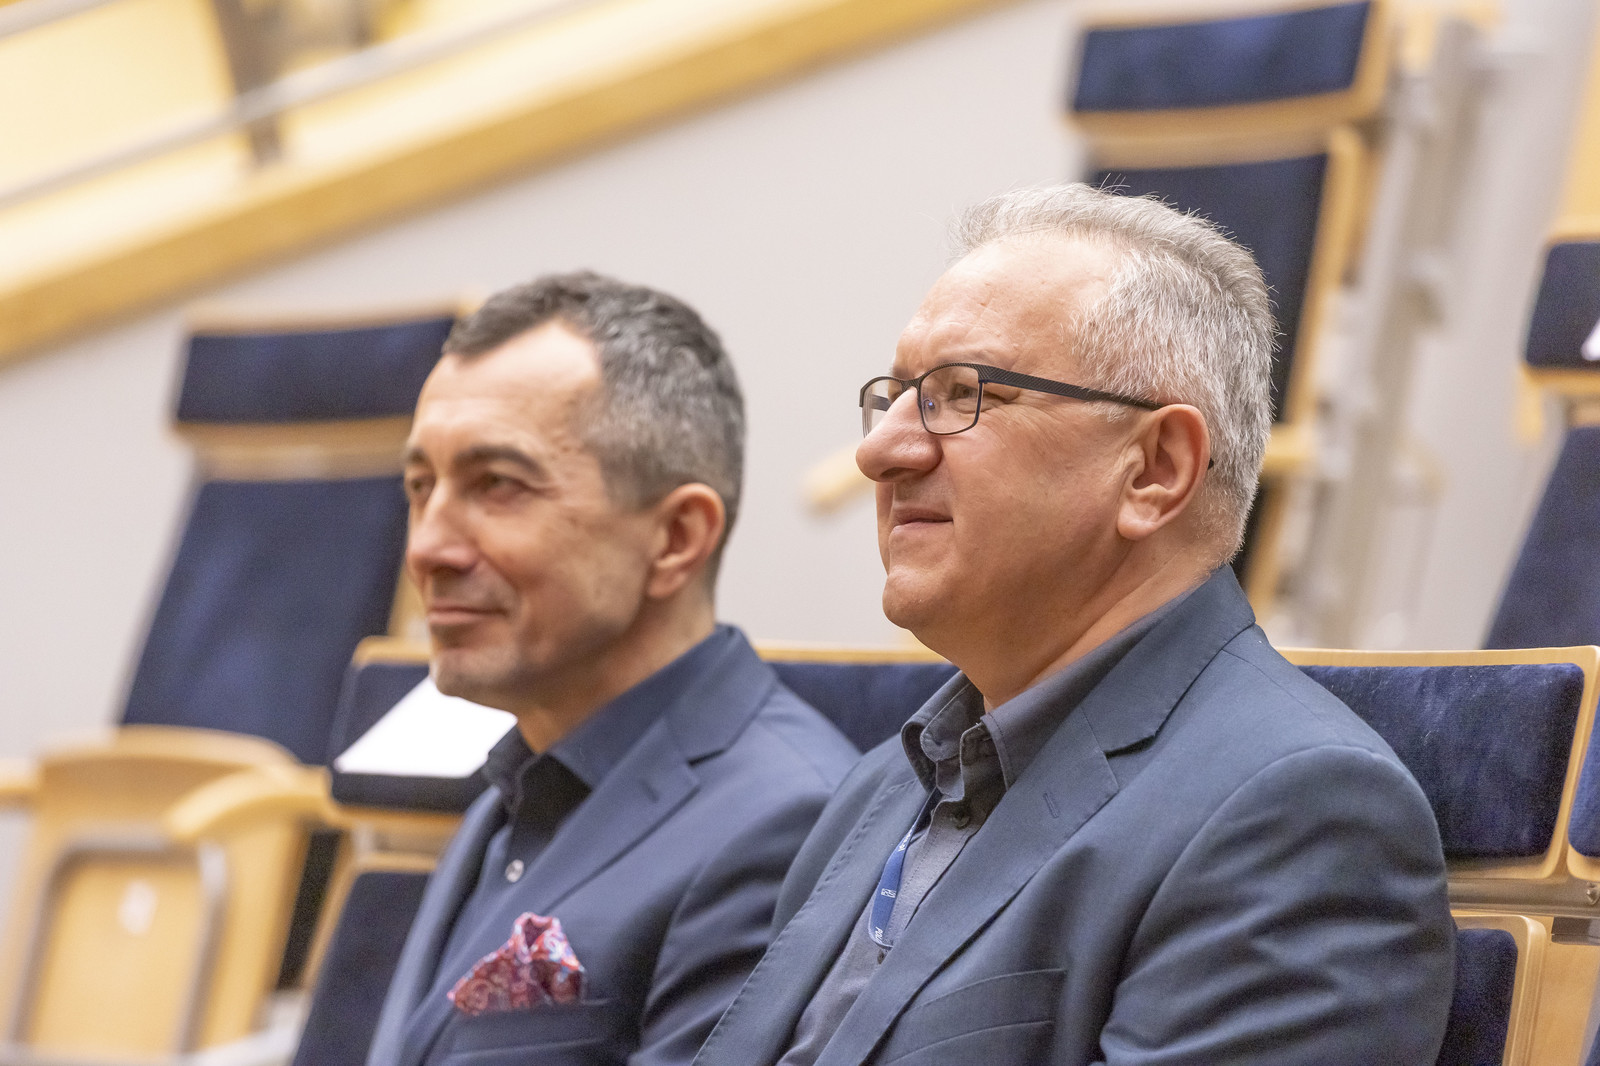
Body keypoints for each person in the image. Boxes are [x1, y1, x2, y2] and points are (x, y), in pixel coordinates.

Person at [692, 185, 1455, 1066]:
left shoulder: (1302, 817)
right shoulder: (883, 785)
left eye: (961, 394)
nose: (880, 450)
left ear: (1155, 470)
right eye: (896, 396)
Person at [368, 271, 859, 1066]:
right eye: (421, 487)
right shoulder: (516, 788)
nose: (427, 547)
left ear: (675, 539)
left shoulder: (786, 827)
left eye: (497, 485)